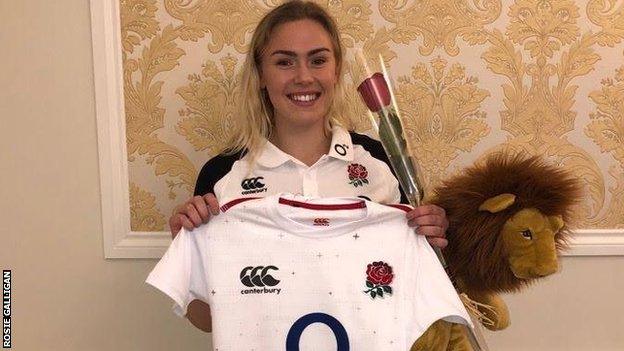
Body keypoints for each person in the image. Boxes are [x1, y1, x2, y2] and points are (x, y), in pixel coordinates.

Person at [167, 0, 449, 333]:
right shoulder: (222, 175)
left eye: (318, 60)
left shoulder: (385, 162)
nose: (304, 77)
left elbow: (418, 296)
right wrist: (186, 246)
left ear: (336, 69)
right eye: (285, 62)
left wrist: (433, 241)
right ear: (260, 74)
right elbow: (208, 321)